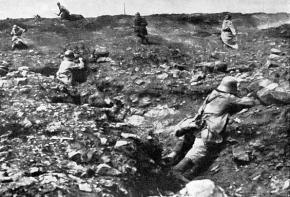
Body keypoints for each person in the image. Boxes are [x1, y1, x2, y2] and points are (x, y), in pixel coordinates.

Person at [168, 76, 258, 181]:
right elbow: (249, 103)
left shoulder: (213, 94)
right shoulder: (229, 97)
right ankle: (178, 170)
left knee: (187, 141)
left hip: (196, 124)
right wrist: (251, 96)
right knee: (200, 150)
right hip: (208, 128)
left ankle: (172, 156)